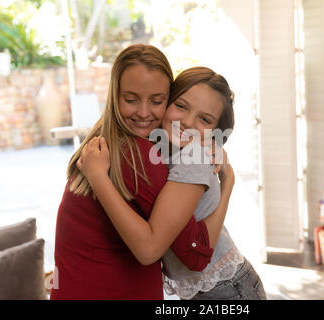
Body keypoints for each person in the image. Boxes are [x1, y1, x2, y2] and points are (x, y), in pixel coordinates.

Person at [50, 44, 231, 300]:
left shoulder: (101, 142)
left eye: (157, 101)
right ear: (115, 95)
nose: (144, 113)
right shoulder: (136, 155)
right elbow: (195, 252)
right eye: (131, 99)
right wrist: (228, 182)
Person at [79, 66, 267, 300]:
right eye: (181, 106)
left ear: (215, 133)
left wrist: (228, 183)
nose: (187, 122)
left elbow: (198, 249)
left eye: (205, 119)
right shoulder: (164, 148)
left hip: (226, 289)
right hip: (207, 288)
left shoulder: (195, 156)